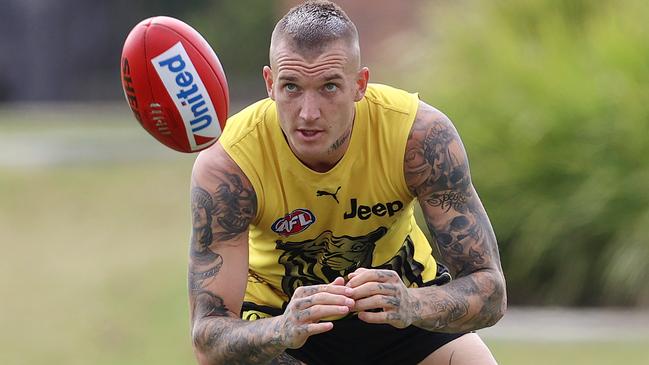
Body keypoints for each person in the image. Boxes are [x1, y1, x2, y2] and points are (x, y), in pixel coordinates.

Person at [188, 1, 506, 364]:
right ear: (270, 84)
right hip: (280, 320)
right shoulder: (230, 164)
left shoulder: (417, 137)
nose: (308, 113)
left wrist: (410, 304)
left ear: (360, 85)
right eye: (291, 87)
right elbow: (207, 338)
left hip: (400, 305)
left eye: (329, 87)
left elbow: (491, 292)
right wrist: (285, 327)